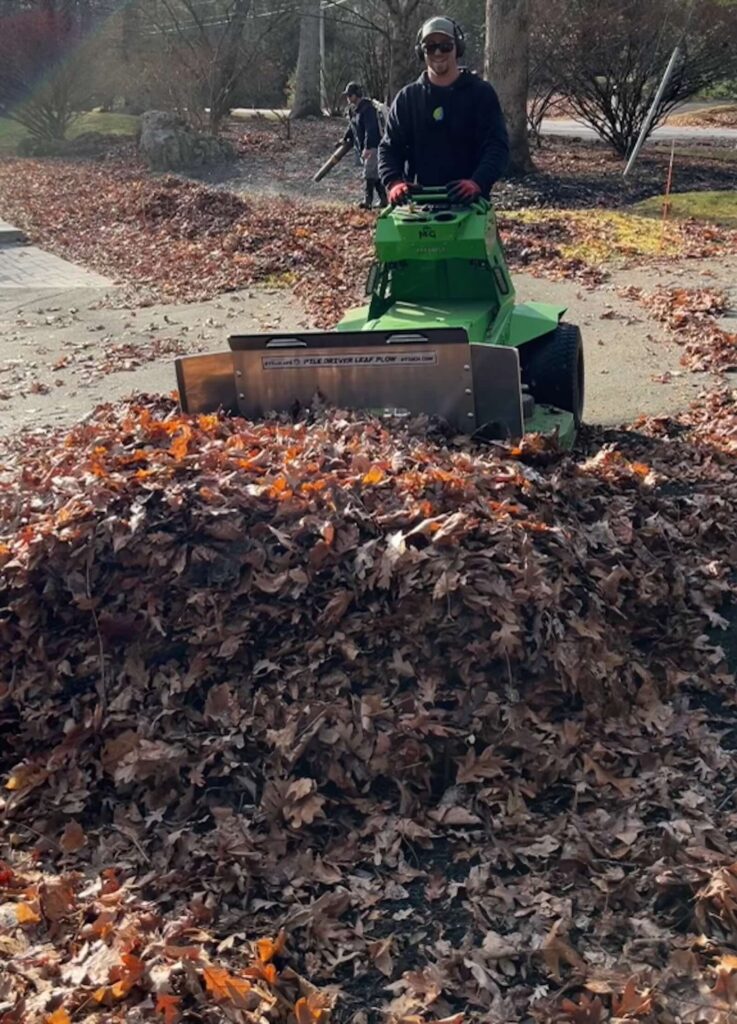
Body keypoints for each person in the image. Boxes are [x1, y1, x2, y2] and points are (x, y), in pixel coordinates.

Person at [378, 16, 509, 205]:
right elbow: (389, 148)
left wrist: (478, 182)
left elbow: (497, 146)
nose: (438, 52)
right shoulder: (407, 98)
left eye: (445, 45)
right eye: (430, 47)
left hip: (470, 204)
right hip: (418, 207)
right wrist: (394, 182)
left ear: (458, 47)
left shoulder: (481, 93)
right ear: (421, 52)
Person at [342, 82, 388, 210]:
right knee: (374, 174)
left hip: (373, 145)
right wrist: (345, 138)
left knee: (368, 173)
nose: (348, 98)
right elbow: (353, 126)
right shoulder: (356, 110)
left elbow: (371, 130)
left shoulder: (368, 109)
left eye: (350, 95)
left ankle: (368, 201)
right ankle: (383, 199)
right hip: (367, 146)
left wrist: (368, 147)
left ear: (356, 95)